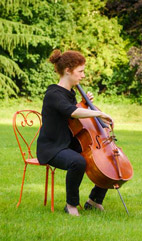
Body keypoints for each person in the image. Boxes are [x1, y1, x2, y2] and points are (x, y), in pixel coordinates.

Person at [37, 49, 113, 216]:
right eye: (80, 71)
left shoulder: (70, 93)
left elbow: (73, 117)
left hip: (68, 143)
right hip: (52, 147)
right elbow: (72, 112)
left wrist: (84, 104)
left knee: (106, 158)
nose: (83, 75)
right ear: (67, 71)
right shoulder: (53, 93)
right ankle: (71, 205)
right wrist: (98, 113)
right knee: (77, 162)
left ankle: (94, 200)